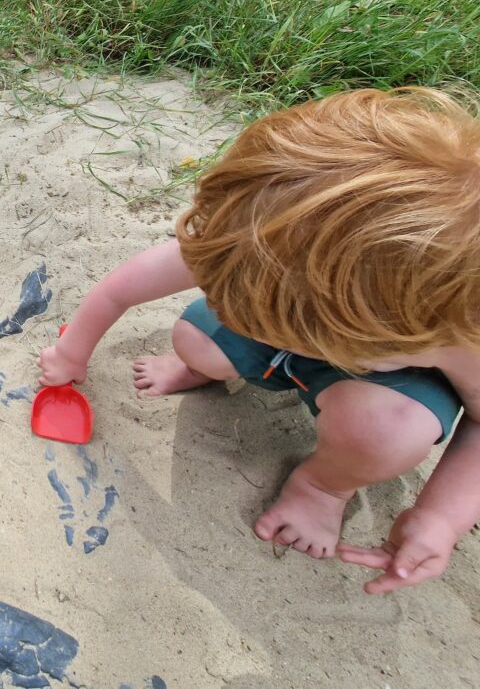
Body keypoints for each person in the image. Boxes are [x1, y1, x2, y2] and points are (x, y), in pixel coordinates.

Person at [37, 87, 480, 594]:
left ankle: (324, 486)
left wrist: (442, 516)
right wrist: (73, 352)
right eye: (233, 298)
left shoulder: (451, 330)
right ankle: (207, 368)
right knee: (195, 338)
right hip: (313, 338)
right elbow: (125, 287)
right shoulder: (264, 237)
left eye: (250, 308)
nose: (226, 303)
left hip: (383, 387)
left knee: (385, 434)